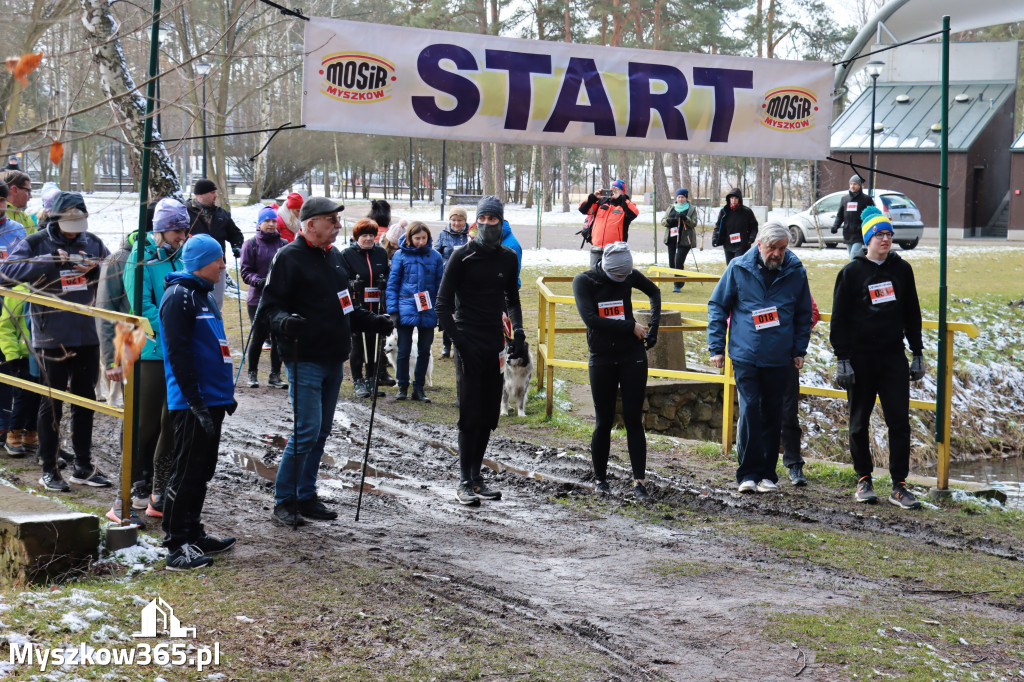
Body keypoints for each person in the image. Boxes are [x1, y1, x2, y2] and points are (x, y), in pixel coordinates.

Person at [260, 197, 394, 526]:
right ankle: (285, 500)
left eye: (337, 220)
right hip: (303, 356)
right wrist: (283, 322)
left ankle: (306, 495)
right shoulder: (288, 258)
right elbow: (269, 308)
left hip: (335, 358)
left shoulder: (334, 257)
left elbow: (346, 306)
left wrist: (372, 321)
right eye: (331, 220)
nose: (337, 226)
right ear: (310, 224)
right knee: (306, 430)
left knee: (320, 432)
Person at [0, 191, 111, 492]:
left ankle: (83, 466)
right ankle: (49, 468)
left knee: (85, 401)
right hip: (51, 336)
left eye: (80, 220)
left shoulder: (93, 241)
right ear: (56, 217)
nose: (76, 227)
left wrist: (95, 268)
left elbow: (112, 269)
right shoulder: (36, 242)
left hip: (87, 333)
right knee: (52, 403)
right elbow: (5, 273)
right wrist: (48, 262)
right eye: (70, 219)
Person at [830, 207, 925, 510]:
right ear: (867, 239)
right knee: (859, 422)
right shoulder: (851, 272)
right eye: (879, 234)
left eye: (888, 234)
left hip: (893, 356)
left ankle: (899, 485)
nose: (885, 239)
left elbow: (912, 313)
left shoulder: (902, 270)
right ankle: (863, 479)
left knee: (899, 421)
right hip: (860, 358)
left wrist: (918, 351)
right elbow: (839, 320)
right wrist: (842, 359)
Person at [707, 223, 812, 493]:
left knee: (773, 413)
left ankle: (767, 475)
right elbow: (718, 305)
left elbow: (803, 313)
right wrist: (716, 348)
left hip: (779, 356)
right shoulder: (738, 269)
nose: (777, 253)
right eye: (772, 248)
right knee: (751, 408)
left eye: (782, 248)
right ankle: (747, 474)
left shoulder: (795, 271)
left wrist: (799, 350)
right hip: (746, 354)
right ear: (759, 245)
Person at [436, 196, 526, 506]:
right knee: (470, 413)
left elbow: (512, 299)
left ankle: (476, 477)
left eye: (494, 219)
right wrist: (459, 342)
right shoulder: (462, 256)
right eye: (483, 219)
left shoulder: (508, 256)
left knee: (489, 414)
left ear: (502, 222)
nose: (488, 224)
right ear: (477, 222)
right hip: (467, 341)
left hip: (494, 343)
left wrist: (520, 331)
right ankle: (463, 481)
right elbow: (442, 305)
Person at [159, 234, 238, 570]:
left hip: (212, 399)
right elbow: (177, 353)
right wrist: (195, 401)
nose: (223, 265)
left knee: (203, 470)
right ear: (203, 261)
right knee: (187, 470)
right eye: (218, 258)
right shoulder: (179, 297)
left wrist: (224, 396)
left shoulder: (202, 295)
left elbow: (211, 348)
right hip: (193, 402)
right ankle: (177, 544)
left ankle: (193, 531)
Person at [112, 198, 188, 523]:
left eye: (184, 230)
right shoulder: (140, 260)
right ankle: (121, 501)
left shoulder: (180, 256)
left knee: (170, 424)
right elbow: (140, 307)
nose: (181, 236)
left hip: (177, 351)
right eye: (176, 230)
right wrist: (171, 329)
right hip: (148, 352)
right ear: (161, 229)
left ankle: (160, 495)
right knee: (141, 427)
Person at [573, 242, 660, 501]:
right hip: (601, 356)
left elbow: (654, 292)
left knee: (634, 419)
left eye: (626, 276)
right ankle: (600, 479)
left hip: (631, 355)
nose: (623, 280)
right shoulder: (584, 281)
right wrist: (629, 325)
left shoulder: (629, 273)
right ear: (606, 267)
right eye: (618, 276)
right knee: (604, 419)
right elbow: (591, 320)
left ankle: (639, 482)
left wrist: (654, 328)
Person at [387, 221, 445, 402]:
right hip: (406, 307)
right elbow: (393, 284)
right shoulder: (400, 256)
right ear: (410, 238)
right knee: (403, 349)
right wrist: (393, 311)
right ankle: (403, 385)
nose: (421, 241)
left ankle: (418, 388)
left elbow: (440, 286)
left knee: (424, 350)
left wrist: (442, 311)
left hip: (428, 308)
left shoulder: (435, 257)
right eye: (417, 238)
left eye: (424, 238)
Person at [341, 217, 391, 398]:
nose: (368, 239)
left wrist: (384, 281)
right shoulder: (347, 254)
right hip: (357, 306)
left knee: (375, 344)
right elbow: (341, 279)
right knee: (358, 346)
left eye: (372, 235)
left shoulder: (380, 253)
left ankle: (372, 379)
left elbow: (386, 273)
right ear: (356, 237)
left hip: (376, 306)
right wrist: (352, 284)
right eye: (364, 235)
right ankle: (358, 381)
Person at [239, 206, 288, 389]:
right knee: (258, 337)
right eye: (267, 221)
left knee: (279, 337)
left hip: (279, 298)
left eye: (274, 221)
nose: (270, 224)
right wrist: (258, 281)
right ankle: (252, 373)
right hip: (257, 299)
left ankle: (275, 375)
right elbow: (245, 271)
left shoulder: (283, 244)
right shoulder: (251, 244)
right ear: (259, 224)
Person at [185, 179, 244, 308]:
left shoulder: (222, 214)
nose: (216, 195)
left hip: (218, 267)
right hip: (194, 267)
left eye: (216, 192)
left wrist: (237, 245)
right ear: (200, 194)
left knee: (216, 304)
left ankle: (215, 325)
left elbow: (236, 234)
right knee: (194, 302)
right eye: (212, 192)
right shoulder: (185, 213)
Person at [782, 293, 820, 486]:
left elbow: (812, 312)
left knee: (788, 413)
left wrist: (793, 336)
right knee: (756, 411)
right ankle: (756, 465)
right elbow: (731, 314)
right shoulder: (745, 271)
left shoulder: (793, 275)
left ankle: (794, 464)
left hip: (787, 358)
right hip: (755, 358)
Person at [0, 284, 38, 458]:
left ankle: (31, 435)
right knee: (23, 396)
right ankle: (13, 434)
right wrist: (11, 354)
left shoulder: (49, 289)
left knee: (39, 397)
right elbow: (6, 327)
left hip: (44, 353)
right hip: (23, 355)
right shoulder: (16, 292)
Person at [434, 207, 470, 358]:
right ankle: (446, 344)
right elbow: (436, 254)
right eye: (453, 220)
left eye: (459, 220)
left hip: (465, 280)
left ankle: (461, 342)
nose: (456, 223)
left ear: (465, 221)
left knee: (461, 311)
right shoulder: (443, 235)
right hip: (447, 278)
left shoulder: (470, 234)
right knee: (447, 311)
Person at [578, 179, 639, 266]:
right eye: (612, 188)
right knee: (595, 276)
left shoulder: (625, 204)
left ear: (623, 192)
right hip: (597, 248)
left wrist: (620, 199)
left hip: (615, 250)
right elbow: (582, 209)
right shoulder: (600, 202)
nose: (614, 191)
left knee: (612, 277)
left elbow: (634, 213)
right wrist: (593, 197)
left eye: (617, 189)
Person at [661, 188, 698, 292]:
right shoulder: (671, 208)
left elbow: (694, 223)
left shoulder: (691, 209)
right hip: (671, 240)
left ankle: (677, 285)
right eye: (679, 197)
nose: (681, 199)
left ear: (686, 198)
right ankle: (681, 279)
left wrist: (686, 219)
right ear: (676, 198)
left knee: (678, 262)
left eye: (683, 197)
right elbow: (663, 221)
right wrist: (669, 221)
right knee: (672, 264)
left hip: (685, 240)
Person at [832, 175, 874, 261]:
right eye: (851, 184)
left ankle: (852, 273)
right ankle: (857, 272)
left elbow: (872, 215)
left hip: (859, 233)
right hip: (847, 233)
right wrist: (835, 226)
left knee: (853, 257)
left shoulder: (866, 199)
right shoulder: (845, 199)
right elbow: (840, 215)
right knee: (853, 257)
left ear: (860, 185)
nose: (852, 186)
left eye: (855, 184)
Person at [712, 188, 758, 264]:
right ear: (729, 199)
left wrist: (751, 237)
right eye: (732, 198)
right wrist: (714, 237)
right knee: (730, 267)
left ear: (739, 199)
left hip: (742, 245)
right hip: (728, 244)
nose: (733, 200)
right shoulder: (724, 211)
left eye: (736, 198)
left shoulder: (747, 212)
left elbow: (754, 227)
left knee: (737, 265)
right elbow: (718, 226)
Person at [0, 170, 36, 234]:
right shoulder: (2, 214)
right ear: (15, 189)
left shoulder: (26, 218)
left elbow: (37, 242)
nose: (31, 196)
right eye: (28, 191)